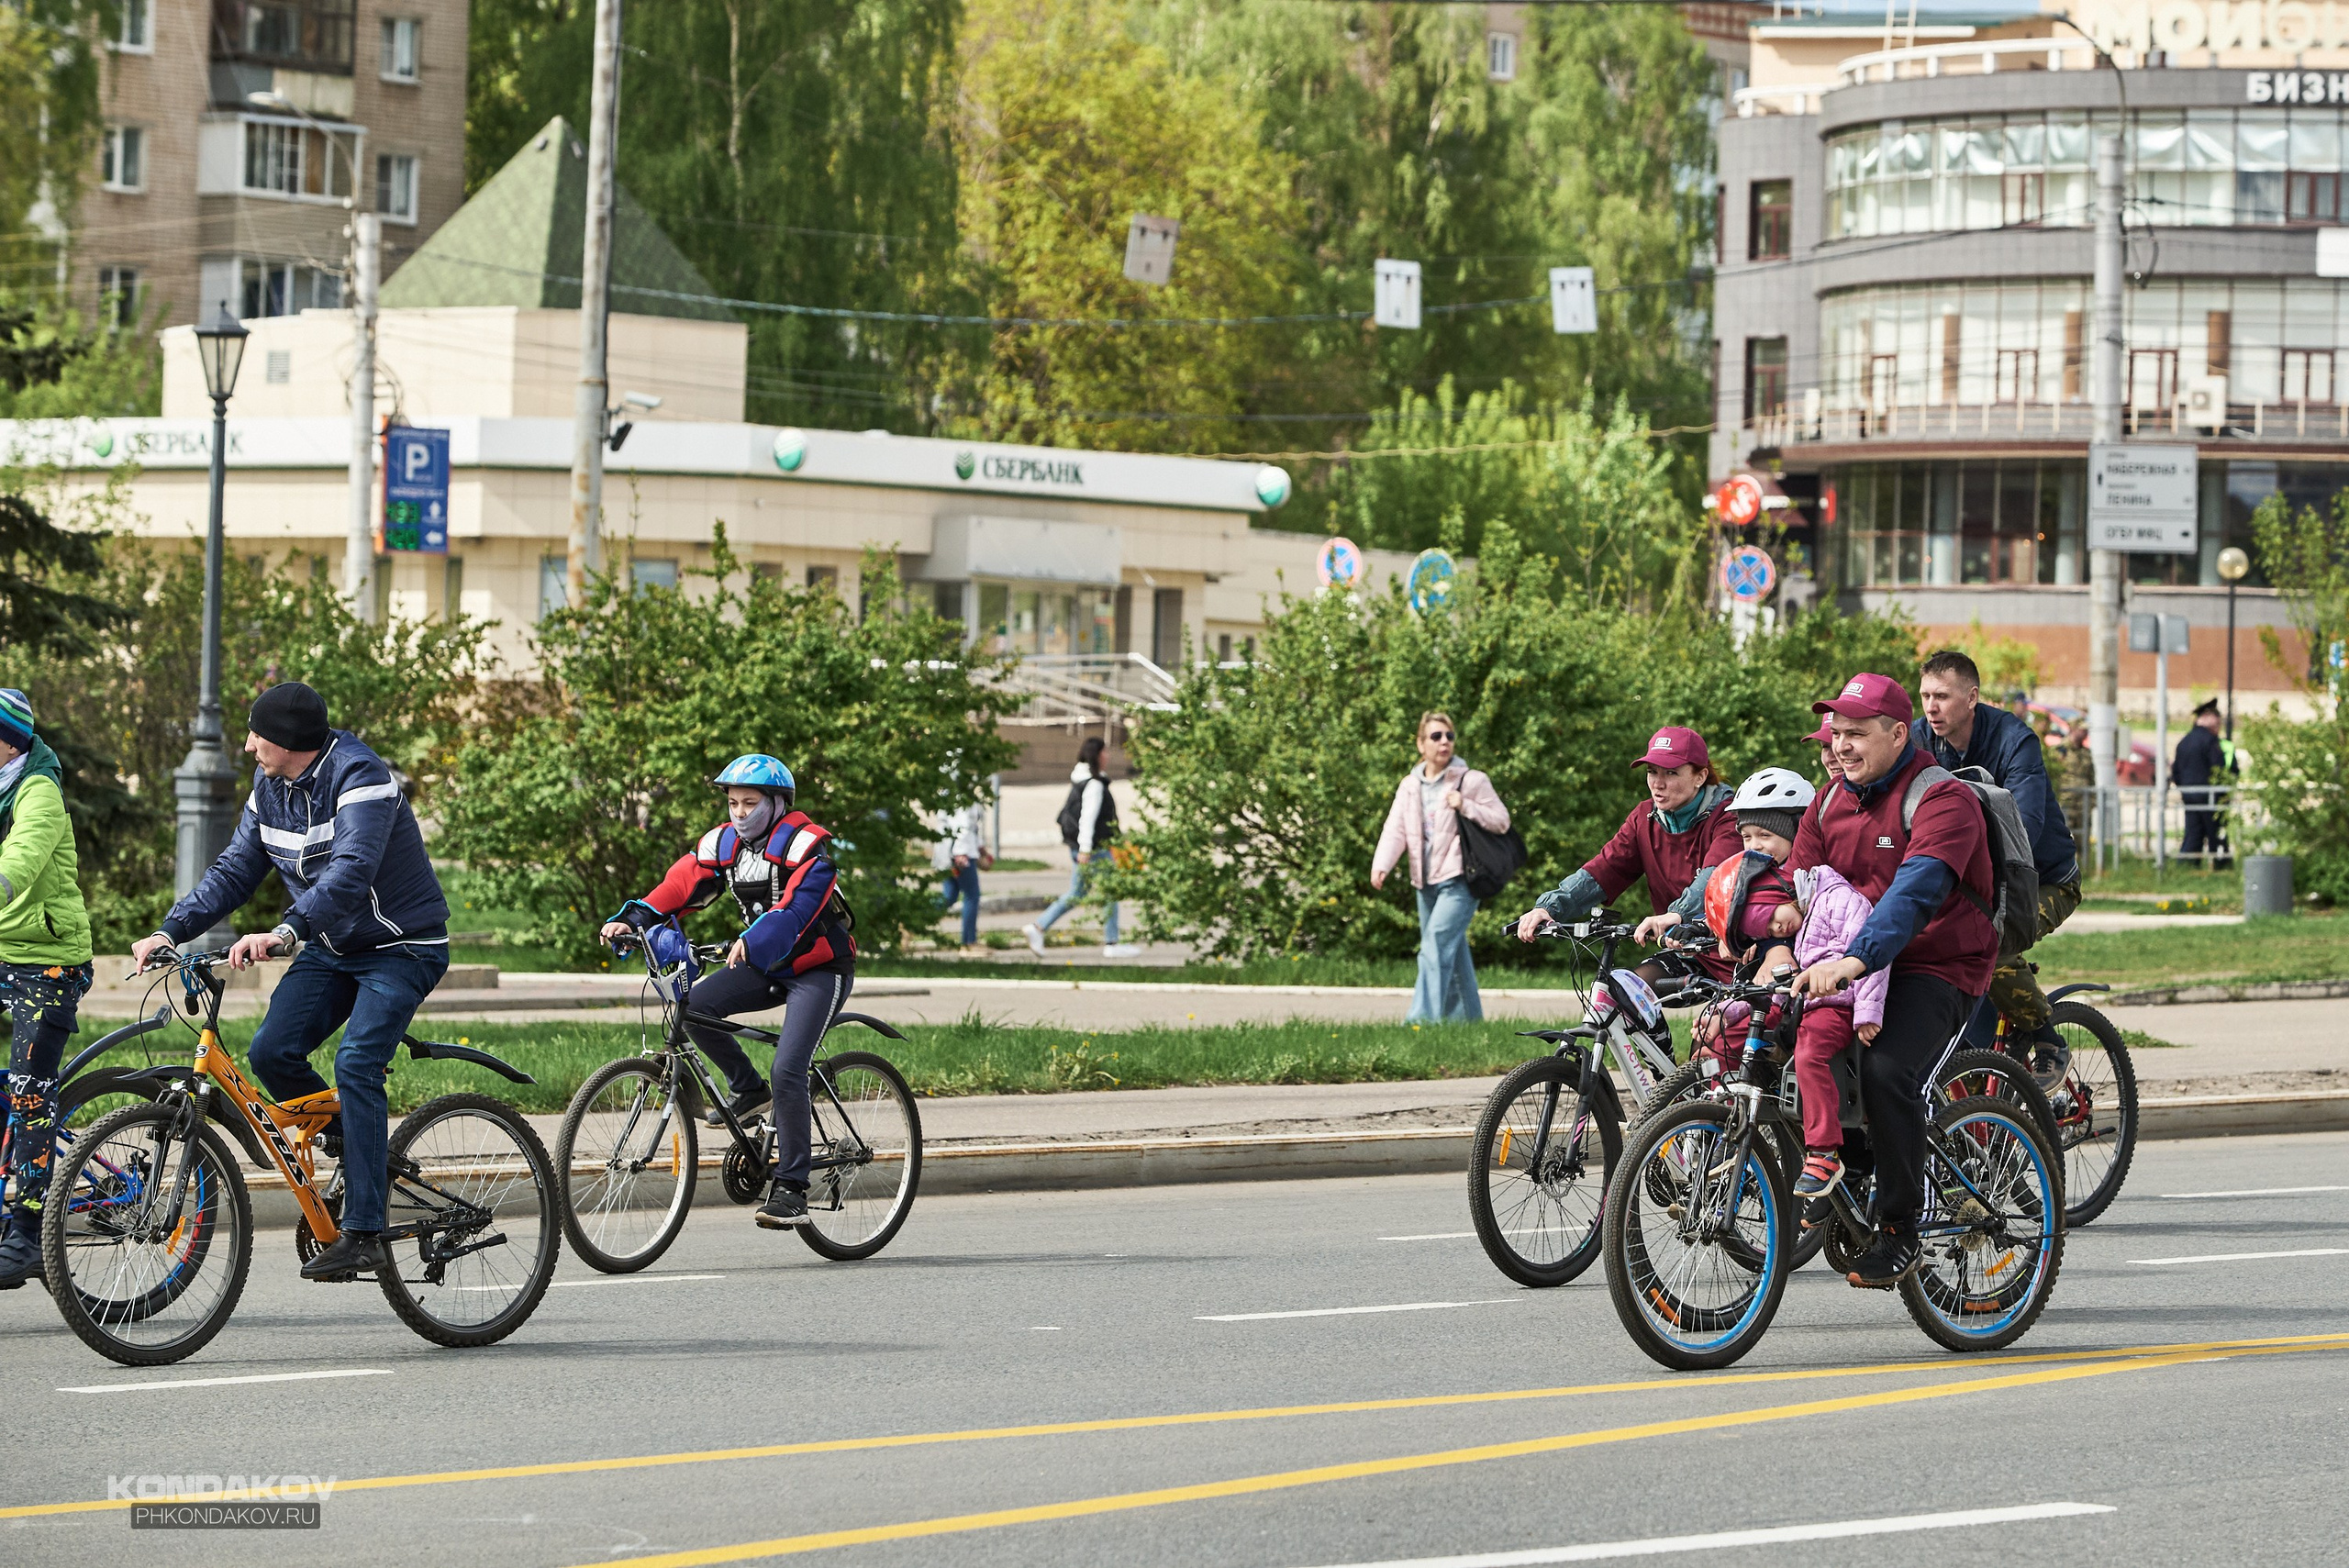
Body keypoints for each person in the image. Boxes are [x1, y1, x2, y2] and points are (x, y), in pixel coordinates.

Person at [130, 682, 451, 1283]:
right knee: (271, 1052)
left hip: (401, 948)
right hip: (332, 946)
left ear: (290, 741)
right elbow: (234, 871)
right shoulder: (270, 787)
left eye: (258, 734)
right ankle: (366, 1157)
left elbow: (352, 872)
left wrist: (285, 932)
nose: (249, 744)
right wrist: (169, 929)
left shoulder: (361, 777)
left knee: (356, 1062)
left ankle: (363, 1230)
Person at [1790, 672, 1998, 1290]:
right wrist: (1773, 943)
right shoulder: (1829, 800)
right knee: (1784, 1042)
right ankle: (1844, 1167)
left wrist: (1855, 960)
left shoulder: (1941, 799)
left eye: (1856, 733)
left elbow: (1915, 894)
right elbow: (1791, 884)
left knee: (1886, 1069)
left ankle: (1901, 1224)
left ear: (1897, 732)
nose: (1842, 745)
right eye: (1837, 733)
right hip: (1847, 961)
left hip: (1937, 962)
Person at [599, 754, 856, 1230]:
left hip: (820, 969)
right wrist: (632, 920)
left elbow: (795, 912)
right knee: (691, 1009)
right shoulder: (726, 845)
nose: (739, 812)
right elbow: (678, 885)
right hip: (764, 965)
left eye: (750, 802)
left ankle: (793, 1188)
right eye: (733, 802)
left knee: (789, 1069)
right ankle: (748, 1089)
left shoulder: (810, 854)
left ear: (778, 804)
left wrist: (751, 940)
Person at [1917, 650, 2080, 1078]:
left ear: (1972, 698)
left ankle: (2047, 1036)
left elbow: (2024, 827)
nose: (1931, 707)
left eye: (1943, 696)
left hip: (2043, 882)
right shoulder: (1919, 739)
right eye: (1925, 696)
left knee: (1990, 945)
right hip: (1968, 885)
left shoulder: (2013, 740)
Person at [1513, 726, 1741, 979]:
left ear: (1700, 776)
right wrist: (1549, 908)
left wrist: (1676, 915)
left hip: (1734, 952)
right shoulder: (1644, 818)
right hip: (1681, 949)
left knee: (1721, 1020)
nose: (1658, 783)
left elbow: (1714, 880)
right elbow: (1605, 869)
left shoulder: (1730, 816)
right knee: (1627, 992)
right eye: (1652, 772)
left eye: (1672, 773)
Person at [0, 690, 95, 1289]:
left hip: (47, 961)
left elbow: (20, 861)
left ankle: (27, 1229)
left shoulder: (38, 792)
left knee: (30, 1091)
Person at [1372, 712, 1512, 1024]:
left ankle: (1420, 1021)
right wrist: (1382, 864)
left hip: (1460, 879)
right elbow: (1395, 828)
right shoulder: (1409, 785)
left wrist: (1465, 804)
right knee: (1453, 951)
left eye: (1449, 736)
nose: (1444, 742)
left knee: (1435, 944)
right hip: (1424, 880)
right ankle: (1469, 1022)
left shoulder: (1471, 779)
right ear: (1421, 744)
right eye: (1436, 737)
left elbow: (1502, 821)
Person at [1025, 738, 1141, 959]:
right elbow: (1087, 818)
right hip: (1093, 848)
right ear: (1097, 755)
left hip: (1086, 847)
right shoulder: (1094, 784)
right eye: (1105, 752)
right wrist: (1086, 849)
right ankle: (1112, 942)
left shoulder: (1084, 780)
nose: (1108, 756)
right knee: (1110, 891)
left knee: (1078, 893)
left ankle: (1038, 927)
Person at [2174, 698, 2234, 864]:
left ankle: (2187, 865)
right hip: (2210, 795)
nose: (2219, 724)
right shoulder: (2210, 741)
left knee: (2193, 833)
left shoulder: (2184, 742)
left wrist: (2185, 790)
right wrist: (2223, 792)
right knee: (2216, 833)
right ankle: (2220, 865)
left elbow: (2176, 772)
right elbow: (2218, 769)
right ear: (2207, 717)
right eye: (2216, 718)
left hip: (2189, 796)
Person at [932, 801, 990, 949]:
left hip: (947, 851)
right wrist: (961, 852)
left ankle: (914, 916)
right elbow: (962, 825)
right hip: (960, 854)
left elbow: (971, 826)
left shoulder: (951, 790)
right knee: (972, 895)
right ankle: (969, 942)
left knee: (949, 896)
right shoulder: (962, 793)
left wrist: (980, 847)